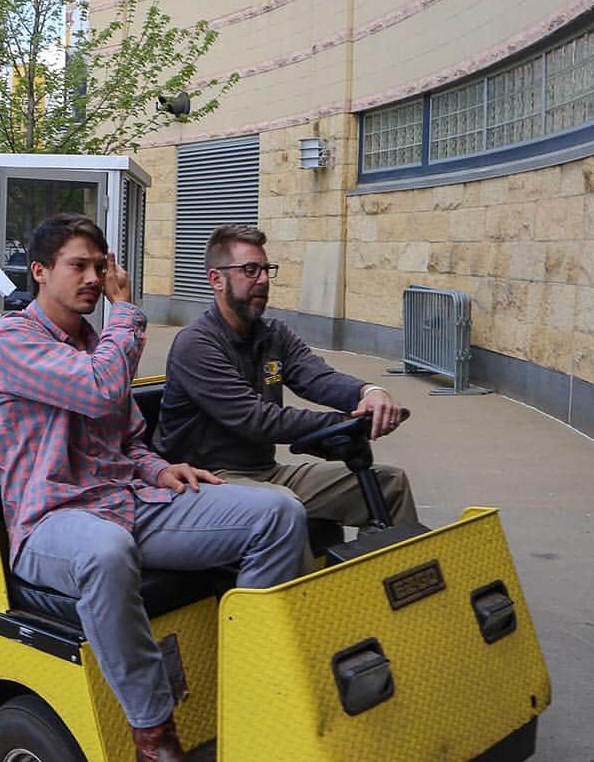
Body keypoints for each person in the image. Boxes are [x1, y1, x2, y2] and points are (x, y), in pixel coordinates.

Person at [0, 214, 305, 762]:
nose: (95, 278)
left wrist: (161, 471)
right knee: (104, 552)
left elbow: (126, 437)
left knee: (279, 513)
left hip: (127, 503)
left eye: (101, 267)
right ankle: (156, 740)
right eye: (80, 265)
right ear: (40, 271)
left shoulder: (92, 344)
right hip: (51, 522)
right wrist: (129, 314)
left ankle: (256, 696)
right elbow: (101, 392)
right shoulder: (12, 340)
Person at [155, 224, 417, 568]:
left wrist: (368, 394)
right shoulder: (196, 345)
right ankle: (312, 614)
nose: (262, 279)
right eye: (250, 270)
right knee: (284, 508)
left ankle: (399, 591)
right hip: (208, 480)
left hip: (264, 472)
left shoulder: (273, 334)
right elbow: (256, 419)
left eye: (266, 269)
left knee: (390, 484)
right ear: (216, 279)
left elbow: (317, 377)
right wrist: (347, 423)